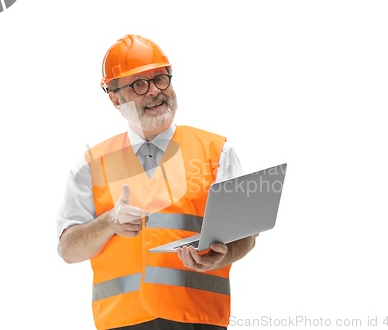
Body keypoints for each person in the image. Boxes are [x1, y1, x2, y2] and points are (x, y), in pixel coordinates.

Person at [56, 34, 257, 330]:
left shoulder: (217, 152)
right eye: (139, 84)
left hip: (198, 320)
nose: (154, 91)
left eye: (161, 78)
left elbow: (246, 237)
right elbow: (68, 250)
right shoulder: (90, 166)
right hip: (122, 322)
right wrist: (108, 222)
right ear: (115, 98)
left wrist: (224, 254)